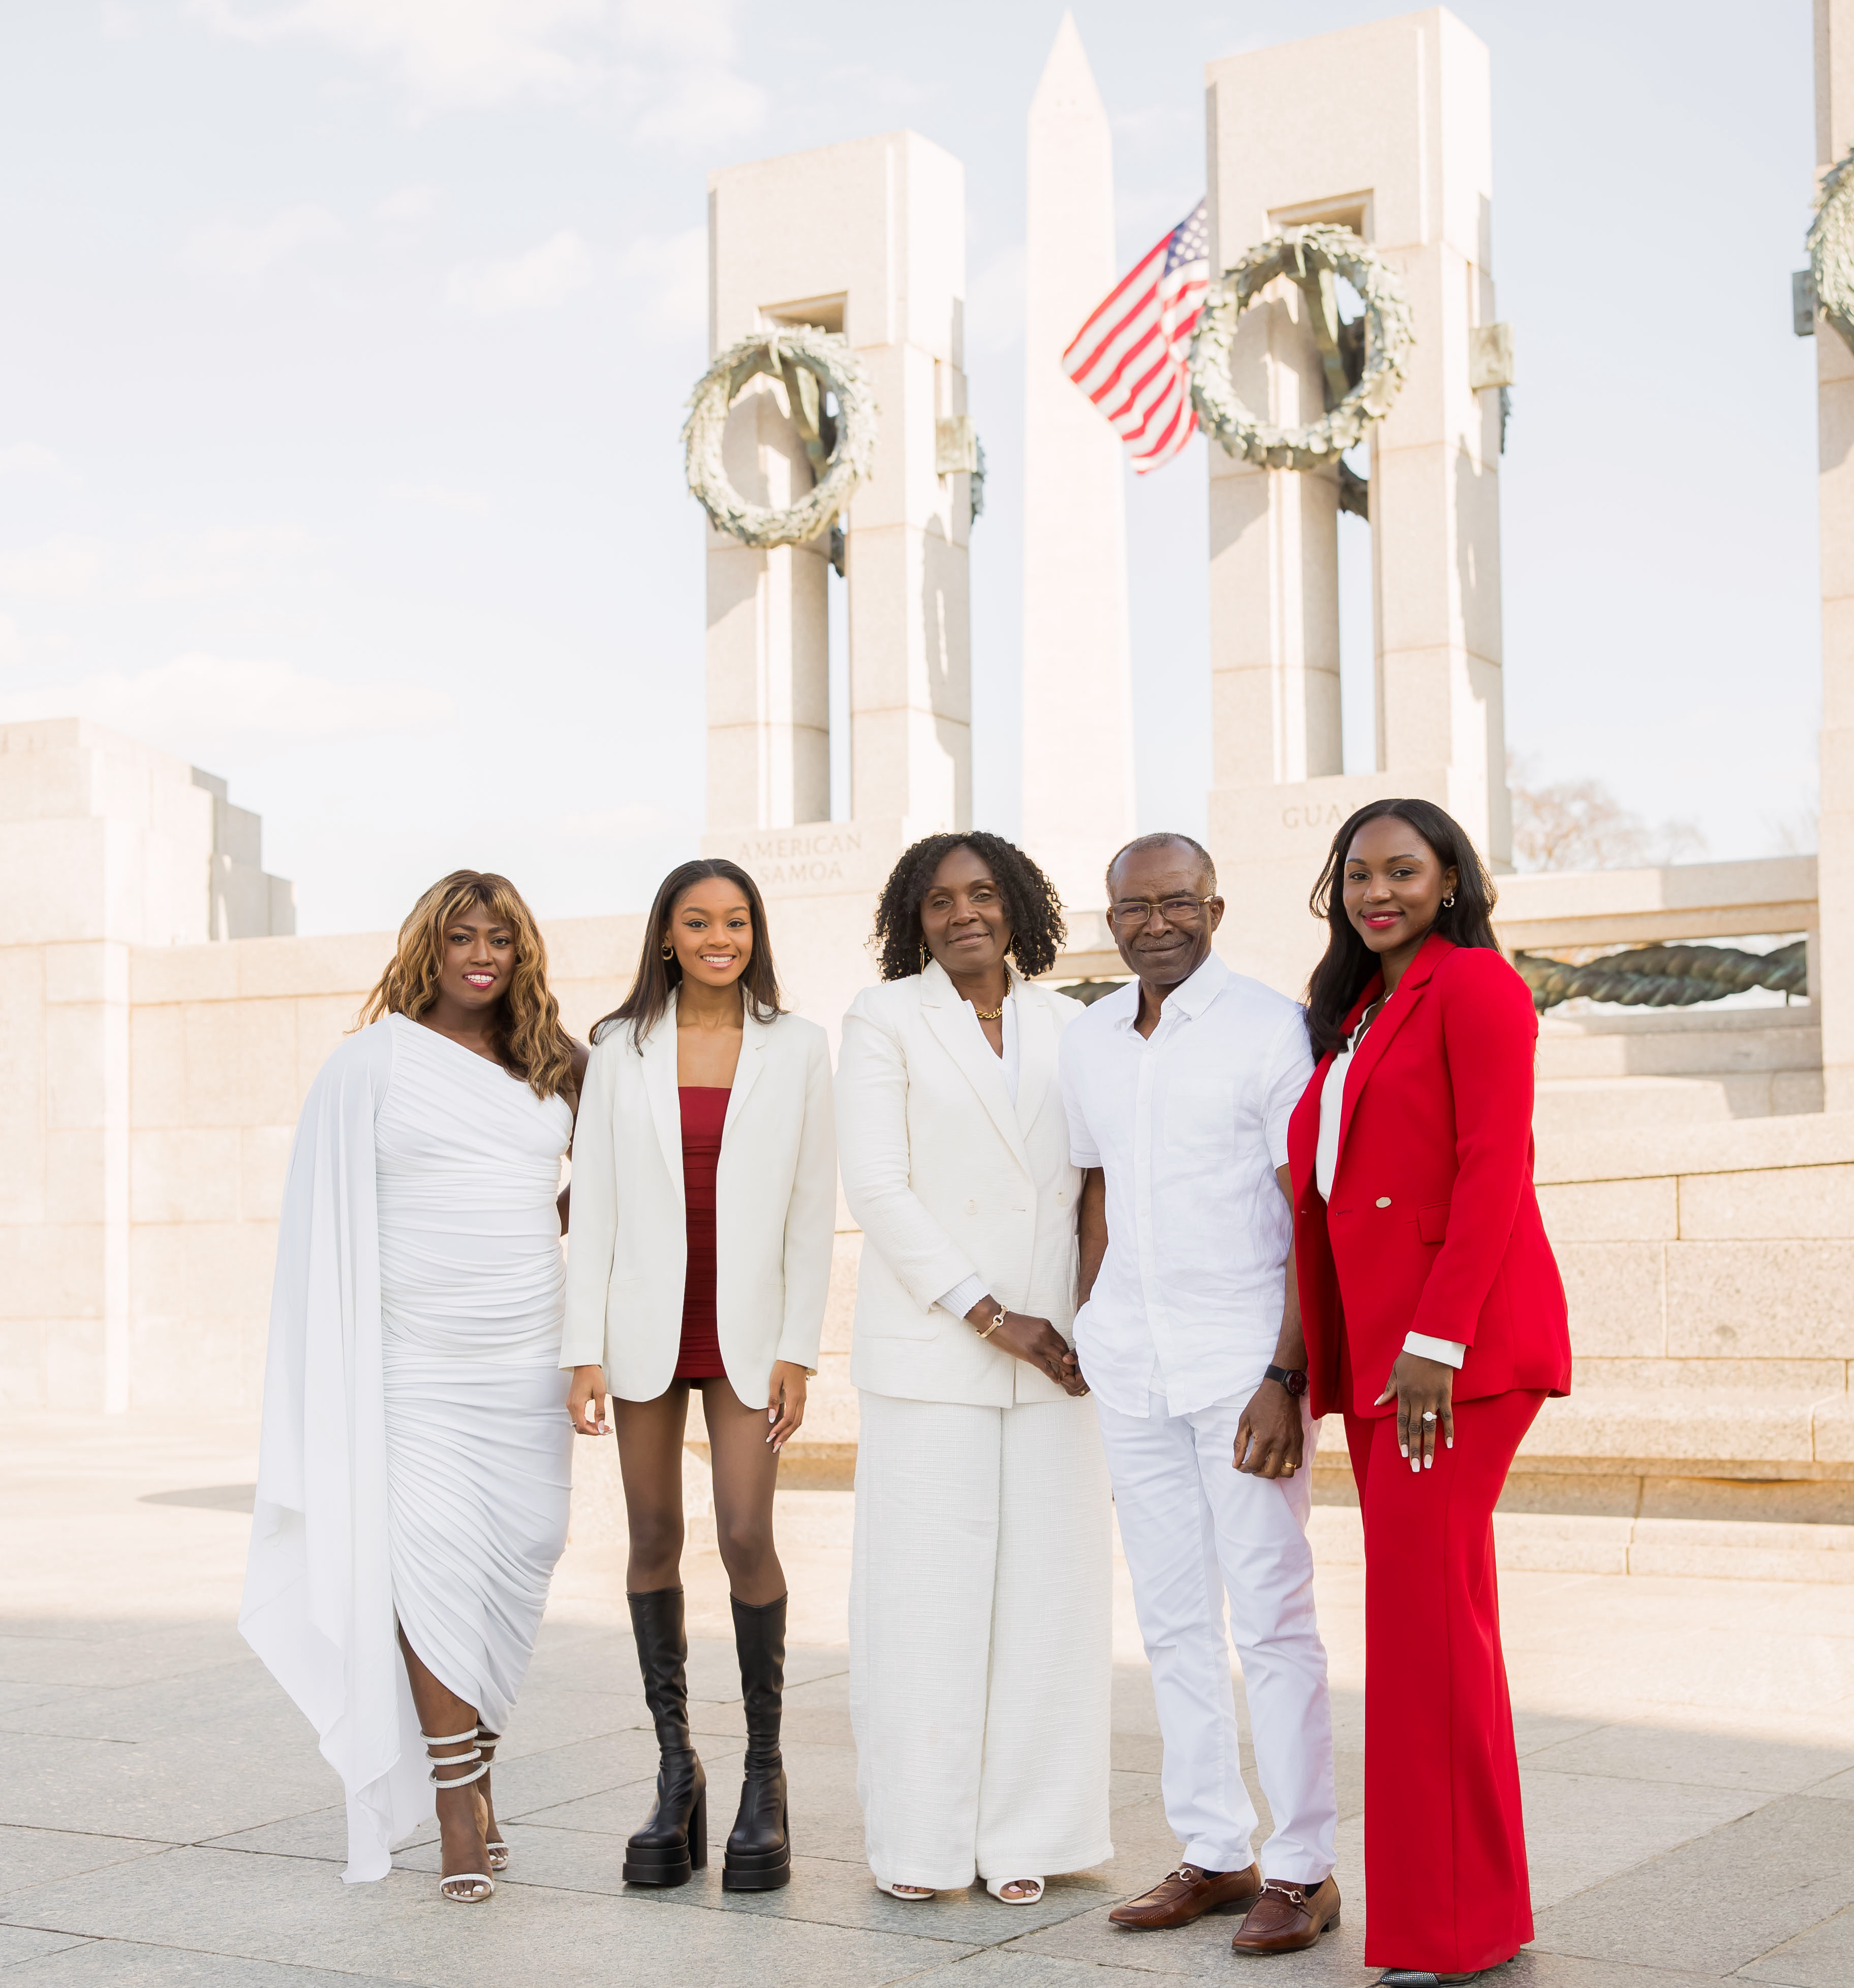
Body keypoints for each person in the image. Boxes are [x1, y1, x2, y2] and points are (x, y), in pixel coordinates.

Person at [242, 870, 588, 1901]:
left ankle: (478, 1768)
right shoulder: (371, 1066)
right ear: (426, 949)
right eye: (460, 937)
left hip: (527, 1362)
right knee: (430, 1569)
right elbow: (324, 1213)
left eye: (501, 938)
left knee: (516, 1567)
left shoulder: (560, 1065)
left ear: (523, 954)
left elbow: (594, 1209)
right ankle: (453, 1806)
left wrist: (578, 1326)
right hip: (416, 1368)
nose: (481, 953)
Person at [1286, 799, 1571, 1985]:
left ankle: (1447, 1930)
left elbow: (1496, 1164)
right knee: (1435, 1627)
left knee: (1424, 1636)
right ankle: (1469, 1916)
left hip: (1453, 1363)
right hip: (1389, 1362)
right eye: (1359, 873)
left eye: (1403, 870)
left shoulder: (1477, 990)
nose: (1377, 892)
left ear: (1452, 879)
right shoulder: (1358, 1013)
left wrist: (1434, 1346)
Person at [1060, 832, 1340, 1958]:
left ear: (1215, 909)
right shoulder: (1088, 1040)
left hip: (1242, 1370)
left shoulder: (1271, 1028)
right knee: (1173, 1620)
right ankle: (1215, 1851)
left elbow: (1307, 1217)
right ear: (1111, 918)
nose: (1156, 923)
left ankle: (1303, 1868)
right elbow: (1097, 1196)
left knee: (1272, 1616)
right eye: (1135, 907)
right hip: (1131, 1363)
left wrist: (1288, 1372)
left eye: (1179, 903)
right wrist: (1089, 1319)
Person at [837, 831, 1111, 1907]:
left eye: (984, 895)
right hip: (938, 1349)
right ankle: (921, 1846)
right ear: (915, 916)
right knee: (924, 1604)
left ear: (1020, 908)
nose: (964, 914)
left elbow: (1097, 1177)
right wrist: (994, 1315)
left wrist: (1088, 1315)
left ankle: (1029, 1838)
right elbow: (879, 1187)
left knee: (1049, 1602)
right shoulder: (884, 1019)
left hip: (1063, 1359)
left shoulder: (1072, 1024)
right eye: (942, 899)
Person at [562, 859, 835, 1894]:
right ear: (666, 936)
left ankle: (765, 1775)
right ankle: (677, 1771)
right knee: (650, 1537)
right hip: (640, 1325)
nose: (719, 937)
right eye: (697, 922)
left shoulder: (800, 1047)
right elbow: (593, 1207)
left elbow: (814, 1207)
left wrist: (799, 1347)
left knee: (747, 1531)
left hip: (749, 1329)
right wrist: (580, 1346)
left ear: (755, 933)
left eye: (735, 921)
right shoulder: (617, 1048)